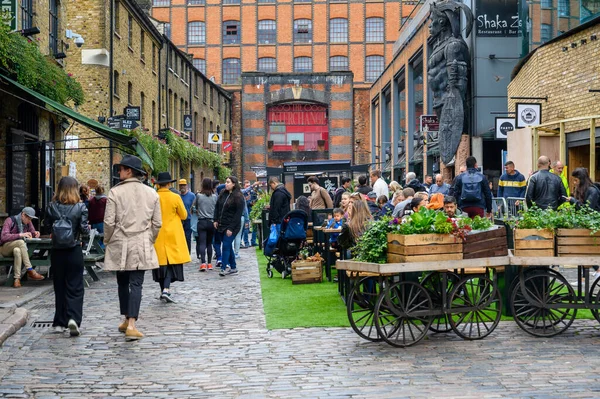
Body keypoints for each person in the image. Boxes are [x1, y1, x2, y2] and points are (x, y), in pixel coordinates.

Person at [104, 155, 162, 341]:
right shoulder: (152, 193)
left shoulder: (115, 192)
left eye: (121, 169)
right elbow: (157, 223)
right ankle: (130, 322)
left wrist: (108, 240)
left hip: (120, 241)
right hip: (141, 242)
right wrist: (149, 238)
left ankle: (128, 321)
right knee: (136, 283)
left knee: (122, 282)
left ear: (129, 171)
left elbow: (109, 222)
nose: (119, 171)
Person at [44, 176, 89, 337]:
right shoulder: (80, 207)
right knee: (75, 286)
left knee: (59, 286)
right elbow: (84, 230)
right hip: (74, 249)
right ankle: (73, 319)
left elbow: (46, 226)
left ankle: (59, 322)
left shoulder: (51, 207)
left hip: (57, 251)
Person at [154, 173, 190, 302]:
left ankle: (162, 289)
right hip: (173, 232)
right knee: (170, 263)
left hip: (157, 233)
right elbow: (184, 215)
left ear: (158, 184)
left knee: (160, 263)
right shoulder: (175, 197)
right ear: (169, 184)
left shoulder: (154, 196)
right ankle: (166, 290)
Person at [0, 207, 44, 288]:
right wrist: (20, 235)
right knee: (21, 242)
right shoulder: (10, 220)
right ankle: (30, 269)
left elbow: (32, 232)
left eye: (31, 219)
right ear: (23, 215)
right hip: (5, 248)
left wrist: (36, 233)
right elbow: (3, 237)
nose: (30, 221)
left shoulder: (28, 222)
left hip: (17, 248)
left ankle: (17, 279)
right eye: (29, 218)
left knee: (17, 251)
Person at [214, 176, 245, 276]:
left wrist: (231, 228)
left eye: (228, 182)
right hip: (222, 224)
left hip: (233, 225)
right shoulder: (223, 193)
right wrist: (215, 220)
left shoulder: (239, 197)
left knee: (226, 245)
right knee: (228, 246)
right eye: (226, 182)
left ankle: (223, 267)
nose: (226, 184)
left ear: (234, 184)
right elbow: (217, 207)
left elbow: (238, 215)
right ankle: (233, 267)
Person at [194, 178, 217, 271]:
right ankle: (210, 263)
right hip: (211, 222)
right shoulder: (215, 197)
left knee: (202, 243)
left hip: (201, 221)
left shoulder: (199, 196)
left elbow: (195, 207)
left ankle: (203, 263)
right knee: (209, 243)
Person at [178, 179, 196, 254]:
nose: (182, 186)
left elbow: (194, 206)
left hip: (188, 219)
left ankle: (187, 252)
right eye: (181, 185)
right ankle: (181, 252)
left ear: (187, 186)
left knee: (188, 237)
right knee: (179, 237)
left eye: (184, 185)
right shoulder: (177, 196)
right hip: (179, 219)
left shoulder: (192, 195)